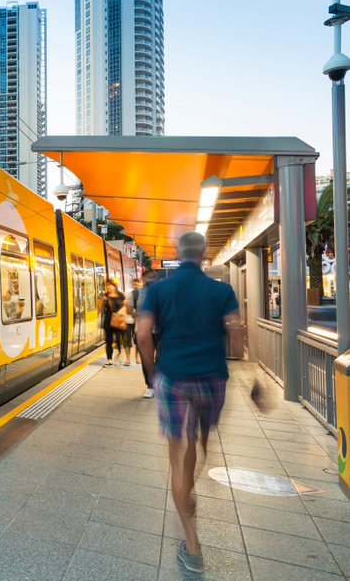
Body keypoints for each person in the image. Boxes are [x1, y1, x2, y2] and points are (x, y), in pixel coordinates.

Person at [136, 232, 240, 574]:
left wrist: (153, 372)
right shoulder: (222, 290)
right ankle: (189, 484)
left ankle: (192, 546)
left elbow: (142, 334)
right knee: (196, 440)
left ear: (177, 254)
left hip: (174, 377)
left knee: (177, 451)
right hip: (212, 378)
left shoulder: (157, 290)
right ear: (204, 254)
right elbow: (236, 333)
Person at [100, 279, 126, 367]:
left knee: (119, 339)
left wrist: (121, 313)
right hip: (108, 322)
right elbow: (99, 309)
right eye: (106, 285)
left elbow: (126, 306)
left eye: (110, 285)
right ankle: (109, 359)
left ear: (114, 286)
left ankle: (120, 352)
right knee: (109, 341)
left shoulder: (121, 295)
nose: (108, 287)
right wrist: (101, 302)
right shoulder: (105, 297)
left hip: (118, 322)